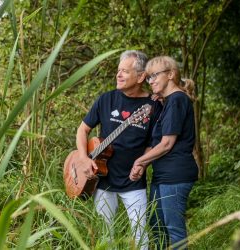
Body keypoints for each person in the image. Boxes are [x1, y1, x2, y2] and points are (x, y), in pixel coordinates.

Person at [75, 50, 162, 249]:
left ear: (141, 77)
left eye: (124, 71)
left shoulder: (153, 105)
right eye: (118, 70)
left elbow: (153, 143)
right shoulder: (106, 99)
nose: (118, 75)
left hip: (133, 181)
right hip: (102, 180)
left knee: (141, 236)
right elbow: (83, 129)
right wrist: (83, 158)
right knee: (106, 237)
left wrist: (144, 163)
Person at [129, 55, 199, 249]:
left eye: (154, 76)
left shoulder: (177, 100)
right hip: (163, 175)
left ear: (170, 74)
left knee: (174, 229)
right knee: (157, 226)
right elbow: (158, 137)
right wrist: (159, 103)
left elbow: (167, 143)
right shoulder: (168, 102)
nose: (150, 81)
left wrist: (139, 162)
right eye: (149, 77)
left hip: (176, 174)